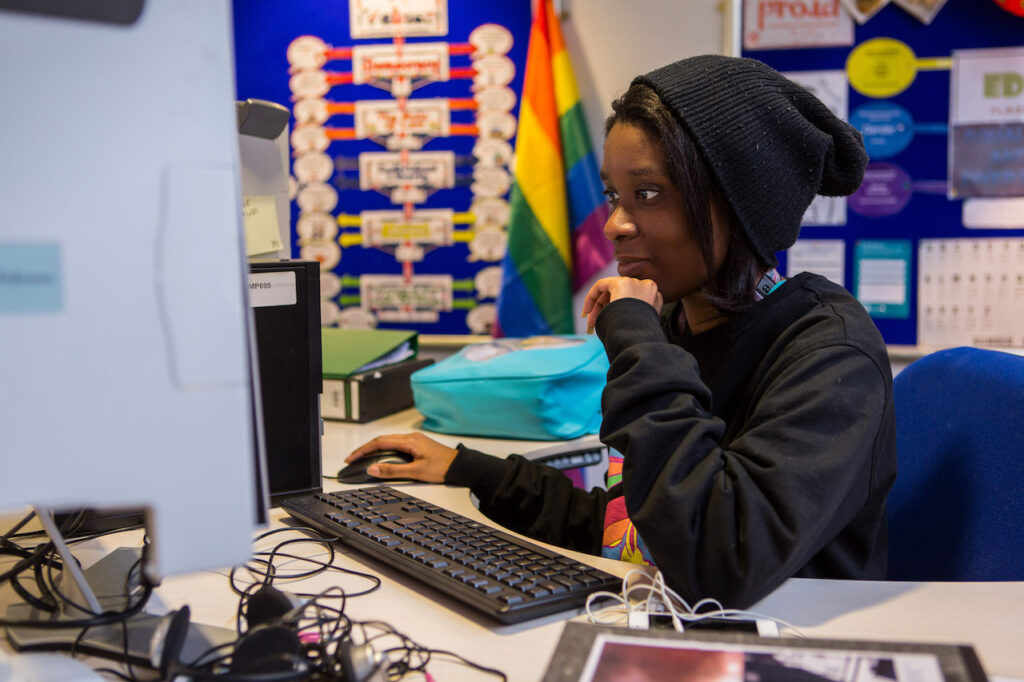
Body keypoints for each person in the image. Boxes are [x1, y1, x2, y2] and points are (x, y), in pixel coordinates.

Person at [346, 54, 897, 609]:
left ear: (739, 206)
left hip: (784, 645)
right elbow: (632, 529)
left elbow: (720, 557)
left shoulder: (831, 353)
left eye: (649, 193)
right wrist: (471, 470)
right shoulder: (675, 324)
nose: (614, 225)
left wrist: (638, 343)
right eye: (614, 195)